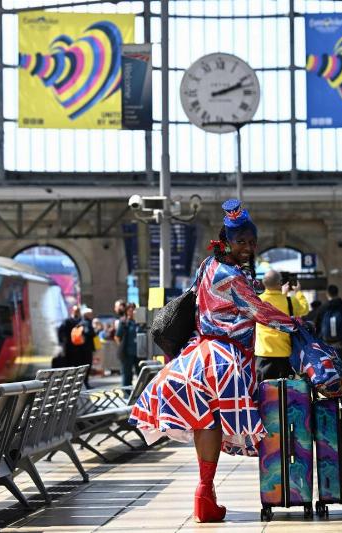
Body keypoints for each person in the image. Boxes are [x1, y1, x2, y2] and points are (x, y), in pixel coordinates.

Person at [129, 199, 299, 523]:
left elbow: (202, 298)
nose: (248, 247)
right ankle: (204, 495)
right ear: (227, 241)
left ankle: (204, 496)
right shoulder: (232, 276)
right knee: (212, 421)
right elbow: (259, 312)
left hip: (199, 353)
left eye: (252, 242)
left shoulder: (209, 265)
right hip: (225, 359)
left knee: (204, 421)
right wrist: (297, 325)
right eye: (242, 242)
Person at [254, 269, 309, 382]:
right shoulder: (290, 301)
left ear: (264, 283)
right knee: (285, 394)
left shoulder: (257, 301)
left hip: (263, 355)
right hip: (284, 356)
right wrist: (298, 292)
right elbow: (305, 309)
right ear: (280, 283)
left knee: (264, 394)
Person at [314, 285, 342, 368]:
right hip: (341, 344)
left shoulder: (322, 308)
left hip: (325, 345)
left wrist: (316, 342)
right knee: (341, 367)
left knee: (327, 368)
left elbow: (316, 327)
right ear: (337, 293)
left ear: (327, 294)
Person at [115, 303, 138, 386]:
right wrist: (121, 347)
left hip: (139, 353)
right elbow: (117, 337)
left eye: (134, 310)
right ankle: (126, 394)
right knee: (127, 374)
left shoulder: (139, 322)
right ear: (127, 311)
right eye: (130, 310)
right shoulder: (124, 322)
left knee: (141, 373)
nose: (132, 312)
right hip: (127, 353)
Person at [77, 306, 97, 387]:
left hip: (81, 348)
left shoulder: (81, 322)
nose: (91, 315)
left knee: (84, 366)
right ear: (86, 315)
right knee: (87, 366)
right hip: (87, 348)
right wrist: (95, 331)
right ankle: (85, 384)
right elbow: (89, 333)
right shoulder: (87, 323)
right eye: (90, 314)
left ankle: (83, 383)